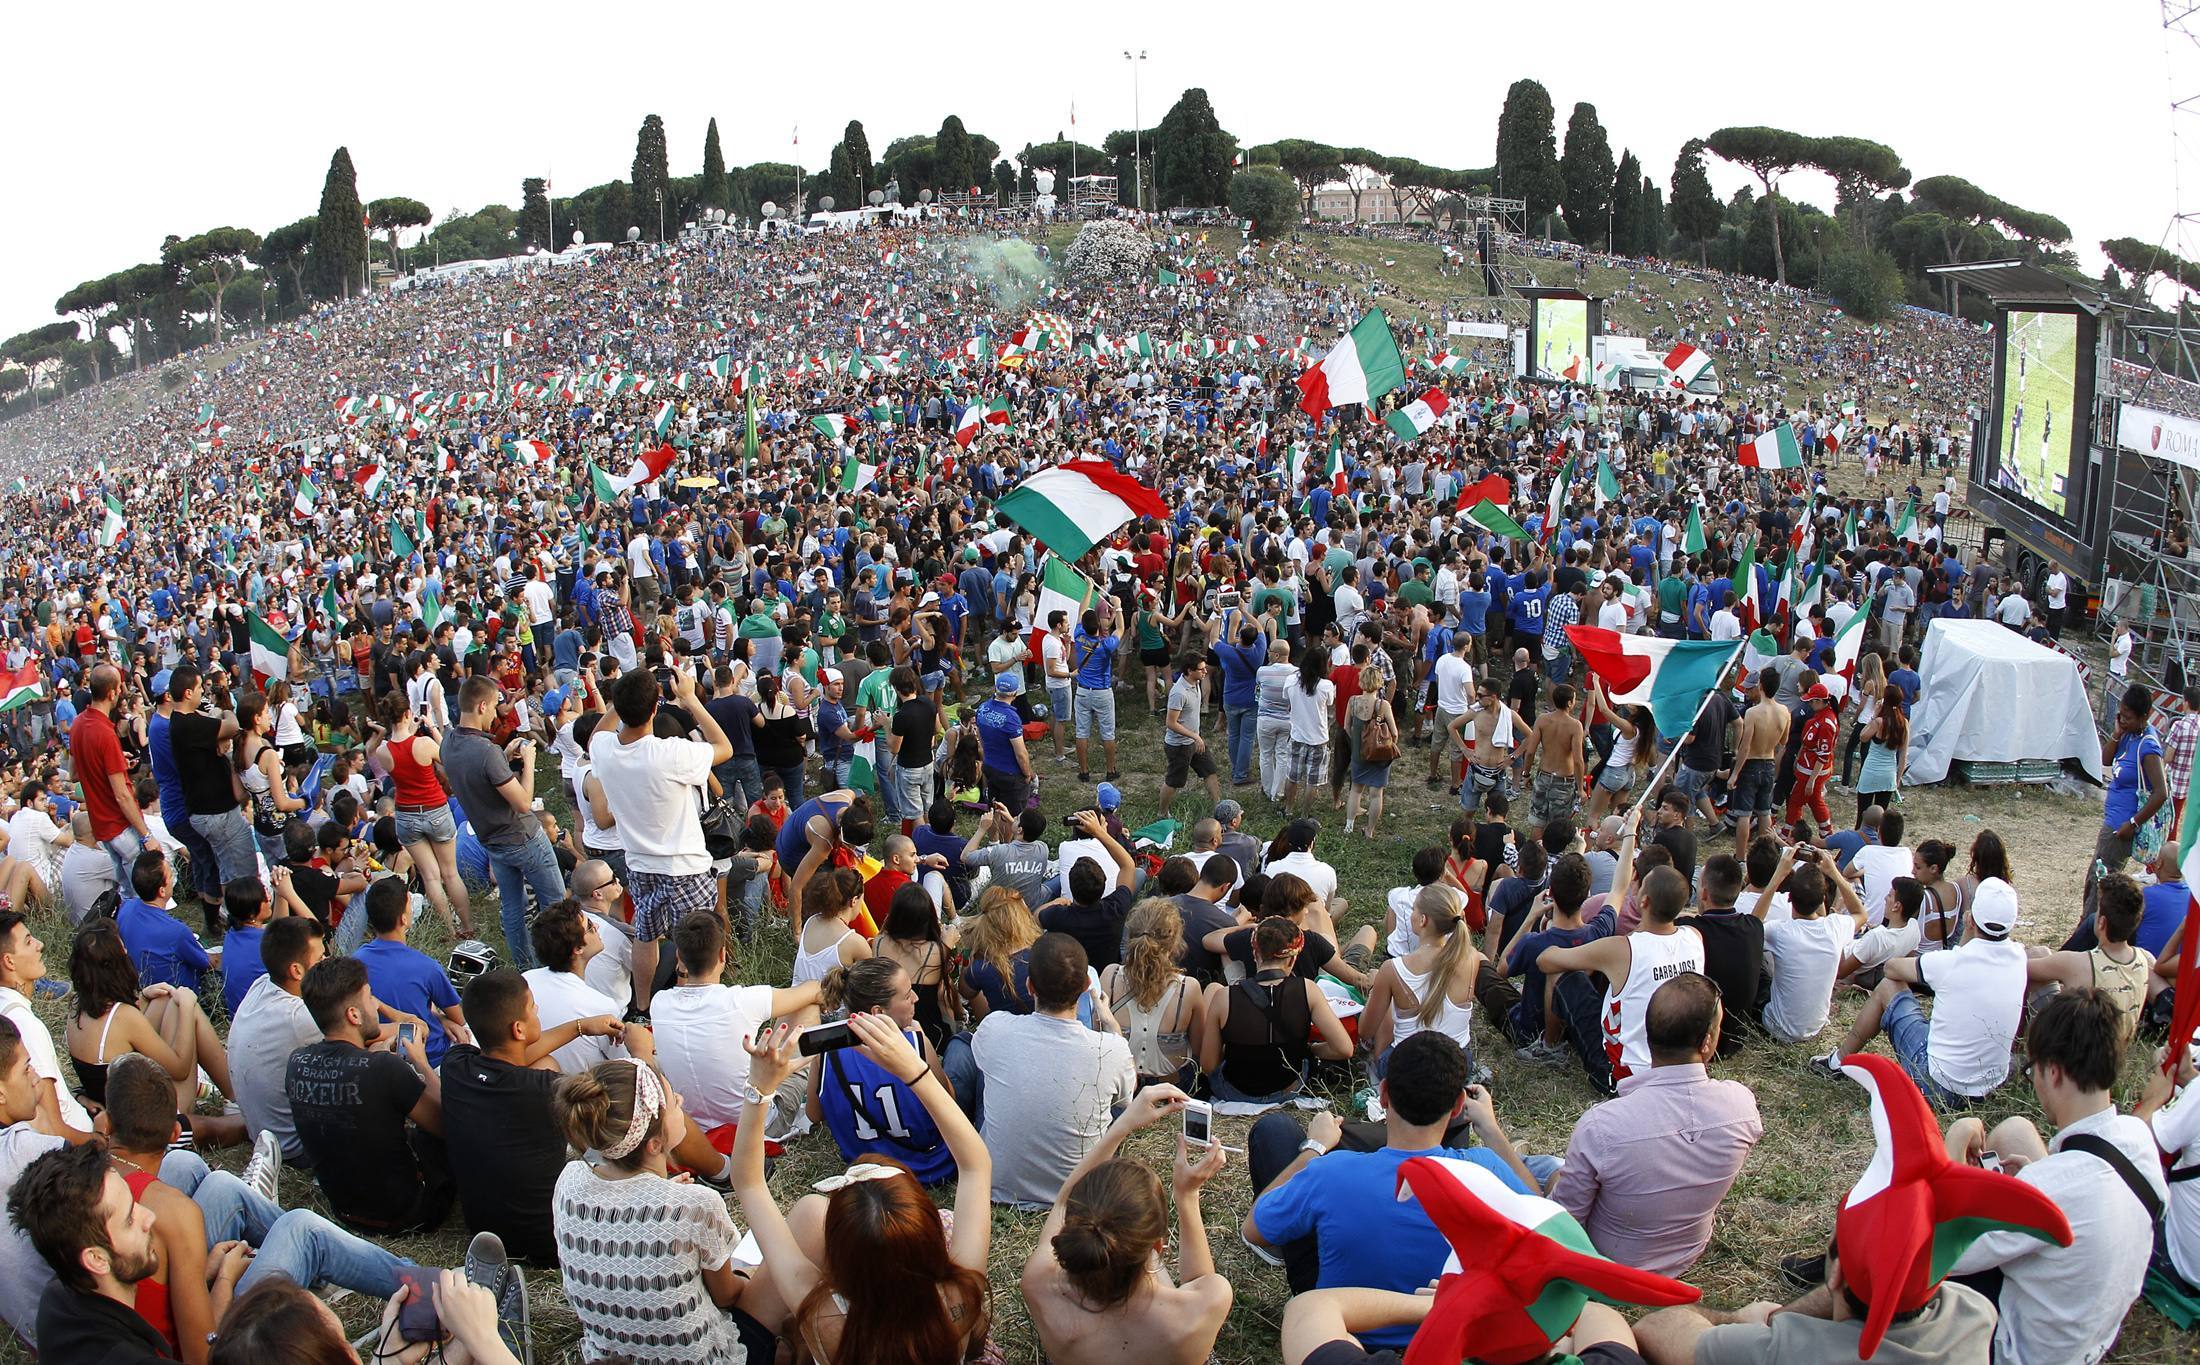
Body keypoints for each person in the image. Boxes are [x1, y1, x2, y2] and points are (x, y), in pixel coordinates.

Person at [94, 1052, 412, 1365]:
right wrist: (224, 1280)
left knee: (198, 1171)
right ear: (175, 1133)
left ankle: (315, 1258)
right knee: (302, 1229)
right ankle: (426, 1287)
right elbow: (205, 1353)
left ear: (106, 1124)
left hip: (153, 1318)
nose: (145, 1216)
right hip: (214, 1345)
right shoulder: (173, 1212)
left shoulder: (87, 1184)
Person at [1243, 1032, 1541, 1347]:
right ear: (1458, 1107)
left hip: (1339, 1323)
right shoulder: (1484, 1168)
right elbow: (1544, 1214)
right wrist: (1491, 1130)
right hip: (1447, 1326)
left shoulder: (1329, 1172)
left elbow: (1253, 1230)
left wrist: (1314, 1147)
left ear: (1383, 1095)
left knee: (1277, 1134)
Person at [735, 1013, 996, 1363]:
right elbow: (976, 1164)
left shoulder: (823, 1321)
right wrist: (913, 1070)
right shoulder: (960, 1299)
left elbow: (749, 1183)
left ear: (835, 1262)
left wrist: (760, 1089)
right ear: (932, 1235)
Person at [550, 1057, 781, 1363]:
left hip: (610, 1357)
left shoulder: (569, 1181)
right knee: (801, 1231)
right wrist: (748, 1273)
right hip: (704, 1356)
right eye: (674, 1102)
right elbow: (727, 1295)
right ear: (655, 1144)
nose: (681, 1102)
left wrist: (668, 1199)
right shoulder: (696, 1205)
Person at [1550, 973, 1762, 1276]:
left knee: (1547, 1168)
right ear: (1707, 1042)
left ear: (1647, 1037)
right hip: (1687, 1253)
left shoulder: (1602, 1126)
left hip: (1610, 1265)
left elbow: (1566, 1222)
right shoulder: (1741, 1106)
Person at [1020, 1083, 1235, 1365]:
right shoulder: (1199, 1309)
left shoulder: (1036, 1282)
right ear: (1158, 1245)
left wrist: (1121, 1126)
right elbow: (1199, 1283)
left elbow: (1063, 1202)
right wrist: (1187, 1195)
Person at [440, 967, 628, 1265]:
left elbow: (512, 1059)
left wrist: (580, 1026)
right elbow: (627, 1113)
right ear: (518, 1029)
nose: (537, 1008)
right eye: (532, 1006)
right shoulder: (547, 1090)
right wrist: (642, 1053)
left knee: (546, 1061)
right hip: (548, 1242)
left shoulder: (455, 1065)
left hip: (483, 1230)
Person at [589, 667, 733, 1015]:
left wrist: (622, 701)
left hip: (639, 863)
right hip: (685, 867)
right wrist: (690, 699)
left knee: (646, 936)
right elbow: (723, 747)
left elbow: (598, 732)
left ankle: (642, 1006)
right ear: (656, 708)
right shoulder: (669, 753)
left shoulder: (605, 750)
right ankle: (690, 1007)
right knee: (696, 942)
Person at [1813, 877, 2028, 1108]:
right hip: (1988, 1086)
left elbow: (1892, 968)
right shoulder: (2020, 957)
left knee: (1888, 986)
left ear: (1971, 919)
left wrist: (1964, 938)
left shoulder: (1951, 962)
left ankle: (1838, 1061)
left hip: (1937, 1085)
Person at [286, 956, 452, 1234]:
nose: (375, 1004)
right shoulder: (385, 1069)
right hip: (408, 1214)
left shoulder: (296, 1062)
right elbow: (446, 1127)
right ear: (353, 1014)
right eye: (370, 996)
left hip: (345, 1211)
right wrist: (421, 1064)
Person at [968, 932, 1136, 1207]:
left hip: (997, 1188)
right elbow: (1126, 1101)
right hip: (1079, 1194)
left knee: (986, 1073)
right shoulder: (1111, 1049)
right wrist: (1111, 1024)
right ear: (1086, 986)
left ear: (1030, 986)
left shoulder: (993, 1028)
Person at [651, 910, 822, 1145]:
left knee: (784, 1006)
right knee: (806, 1007)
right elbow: (814, 990)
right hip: (758, 1123)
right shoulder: (742, 1000)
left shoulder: (658, 1003)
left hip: (694, 1126)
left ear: (679, 956)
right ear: (723, 954)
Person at [1538, 860, 1704, 1093]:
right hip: (1677, 1065)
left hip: (1622, 1077)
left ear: (1644, 901)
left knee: (1562, 976)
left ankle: (1549, 1046)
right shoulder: (1694, 938)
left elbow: (1546, 961)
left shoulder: (1622, 948)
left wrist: (1549, 933)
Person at [64, 923, 236, 1137]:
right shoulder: (123, 1017)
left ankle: (232, 1093)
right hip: (150, 1118)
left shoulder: (77, 1006)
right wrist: (187, 1006)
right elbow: (180, 1068)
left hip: (115, 1104)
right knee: (182, 1006)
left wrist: (144, 996)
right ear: (117, 964)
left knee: (165, 999)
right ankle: (234, 1095)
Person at [441, 675, 563, 971]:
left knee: (512, 907)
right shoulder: (485, 752)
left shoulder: (448, 744)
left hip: (492, 840)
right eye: (496, 705)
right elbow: (522, 802)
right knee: (557, 902)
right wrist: (530, 763)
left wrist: (504, 759)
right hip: (522, 836)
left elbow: (480, 781)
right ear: (482, 706)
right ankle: (559, 964)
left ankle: (525, 966)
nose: (498, 713)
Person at [805, 957, 957, 1182]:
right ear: (878, 1012)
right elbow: (950, 1104)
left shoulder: (826, 1053)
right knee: (959, 1049)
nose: (915, 998)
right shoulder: (915, 1043)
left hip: (864, 1171)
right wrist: (922, 1037)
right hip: (929, 1167)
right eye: (907, 995)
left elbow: (814, 1114)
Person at [1198, 915, 1356, 1103]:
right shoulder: (1308, 990)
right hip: (1289, 1089)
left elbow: (1208, 1065)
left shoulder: (1224, 997)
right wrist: (1311, 1050)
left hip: (1235, 1092)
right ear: (1292, 959)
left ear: (1255, 953)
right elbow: (1344, 1049)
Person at [370, 693, 471, 937]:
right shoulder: (423, 744)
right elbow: (448, 759)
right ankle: (467, 926)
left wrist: (392, 732)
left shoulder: (385, 752)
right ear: (407, 713)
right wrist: (432, 730)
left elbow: (373, 749)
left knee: (431, 877)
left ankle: (449, 928)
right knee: (450, 873)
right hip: (435, 808)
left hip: (406, 815)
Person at [225, 918, 324, 1166]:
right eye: (320, 959)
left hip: (259, 1131)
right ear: (297, 971)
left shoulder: (262, 984)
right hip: (294, 1149)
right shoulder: (298, 1016)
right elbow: (361, 1037)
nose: (326, 964)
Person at [1361, 884, 1483, 1082]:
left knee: (1391, 1003)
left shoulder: (1393, 969)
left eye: (1414, 910)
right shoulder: (1472, 957)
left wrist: (1377, 987)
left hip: (1406, 1069)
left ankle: (1379, 1078)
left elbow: (1365, 1031)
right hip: (1457, 1067)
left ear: (1423, 920)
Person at [351, 879, 468, 1068]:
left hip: (375, 1056)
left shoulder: (354, 962)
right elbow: (459, 1018)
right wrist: (441, 1018)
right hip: (429, 1056)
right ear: (403, 919)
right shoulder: (427, 967)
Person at [0, 911, 94, 1140]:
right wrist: (102, 1140)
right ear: (9, 961)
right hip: (78, 1149)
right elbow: (52, 1128)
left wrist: (79, 1099)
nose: (39, 945)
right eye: (29, 941)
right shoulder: (25, 1025)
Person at [1760, 854, 1871, 1044]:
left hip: (1776, 1027)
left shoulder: (1779, 931)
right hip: (1815, 1028)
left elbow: (1751, 927)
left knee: (1762, 963)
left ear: (1789, 898)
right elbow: (1860, 913)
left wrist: (1778, 876)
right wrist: (1834, 873)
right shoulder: (1835, 927)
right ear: (1823, 899)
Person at [1098, 899, 1205, 1090]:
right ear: (1173, 944)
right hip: (1171, 1089)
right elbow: (1198, 1052)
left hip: (1121, 1090)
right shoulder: (1188, 989)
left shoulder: (1110, 977)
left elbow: (1097, 1037)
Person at [1040, 809, 1137, 968]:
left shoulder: (1057, 915)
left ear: (1071, 887)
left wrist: (1056, 902)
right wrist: (1100, 832)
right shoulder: (1117, 908)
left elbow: (1036, 917)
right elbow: (1128, 865)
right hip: (1105, 972)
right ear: (1104, 883)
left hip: (1071, 973)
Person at [113, 851, 214, 992]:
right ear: (162, 891)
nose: (173, 879)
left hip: (140, 987)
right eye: (171, 876)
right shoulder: (177, 931)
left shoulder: (125, 908)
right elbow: (206, 963)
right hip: (176, 996)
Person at [1161, 652, 1222, 816]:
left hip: (1195, 741)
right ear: (1189, 671)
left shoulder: (1196, 683)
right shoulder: (1179, 693)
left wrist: (1196, 737)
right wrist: (1194, 736)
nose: (1205, 672)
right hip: (1180, 745)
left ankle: (1218, 806)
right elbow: (1171, 722)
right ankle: (1162, 812)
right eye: (1201, 669)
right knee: (1174, 781)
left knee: (1209, 771)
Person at [1343, 663, 1397, 839]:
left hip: (1359, 753)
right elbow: (1394, 732)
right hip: (1379, 755)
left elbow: (1346, 727)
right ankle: (1370, 830)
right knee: (1376, 794)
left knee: (1356, 790)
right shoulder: (1383, 705)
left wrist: (1357, 743)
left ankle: (1349, 826)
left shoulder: (1353, 701)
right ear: (1379, 683)